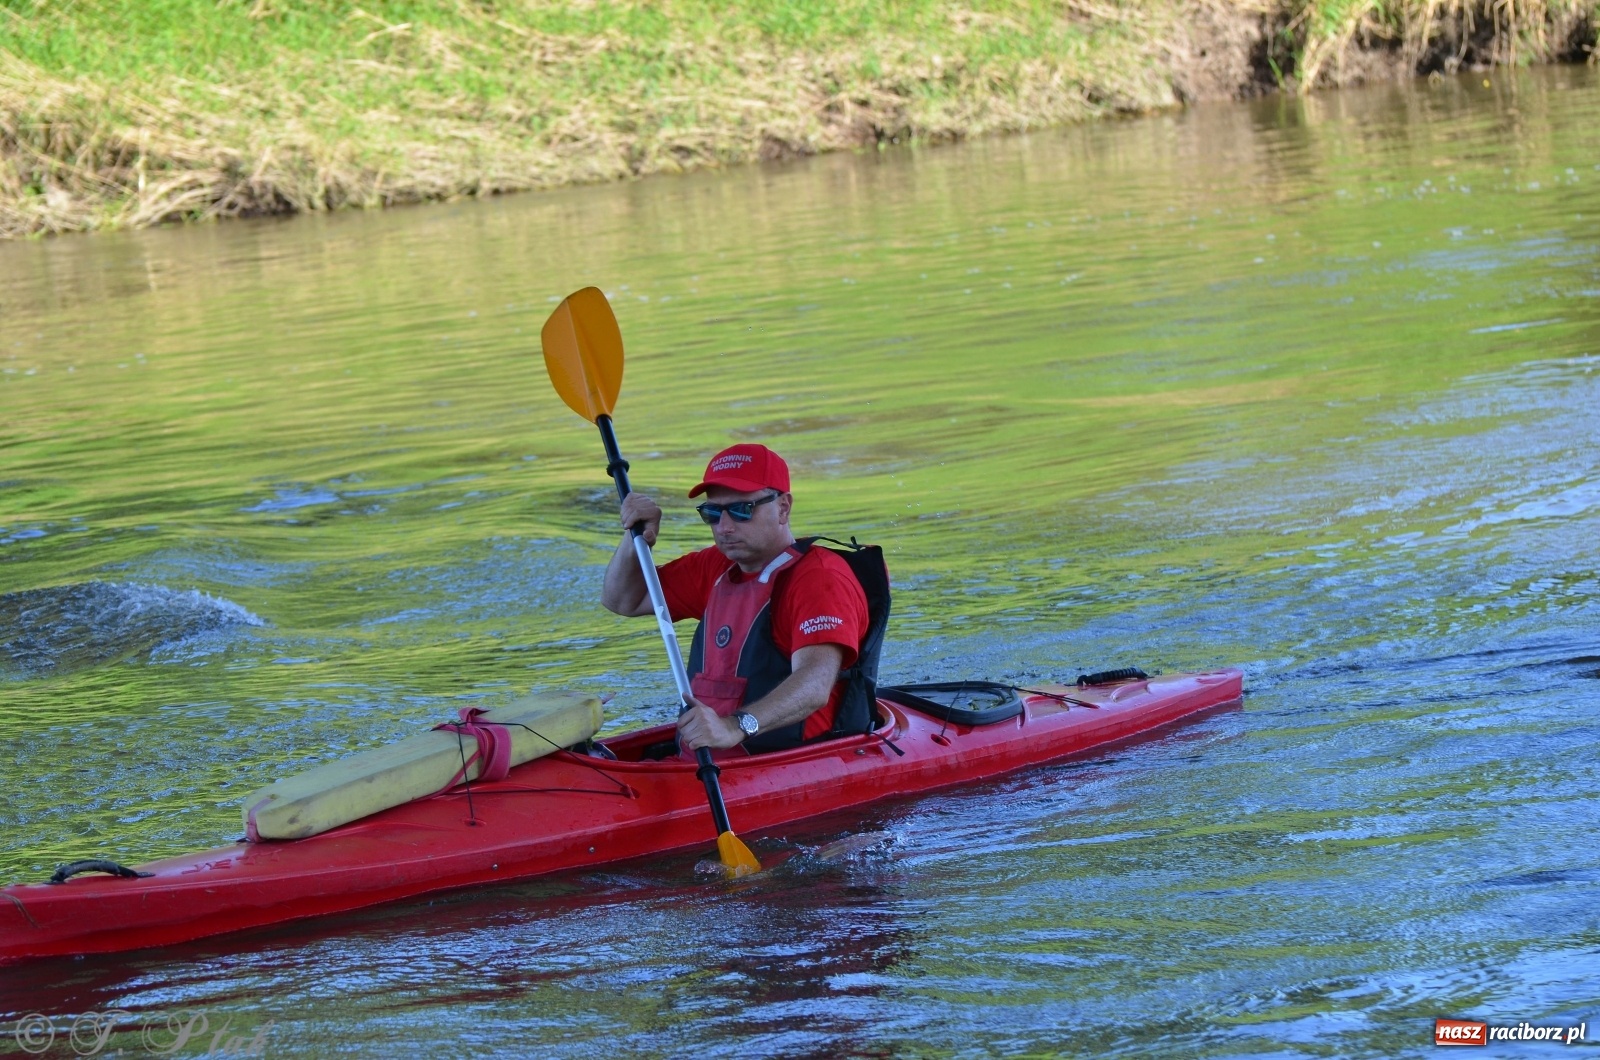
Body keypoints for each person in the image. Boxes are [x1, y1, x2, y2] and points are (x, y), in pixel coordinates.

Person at [601, 443, 884, 756]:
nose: (724, 527)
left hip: (798, 760)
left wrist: (735, 727)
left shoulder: (820, 577)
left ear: (783, 508)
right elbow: (623, 600)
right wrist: (636, 538)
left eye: (741, 510)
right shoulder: (715, 567)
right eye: (712, 513)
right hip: (708, 762)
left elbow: (814, 685)